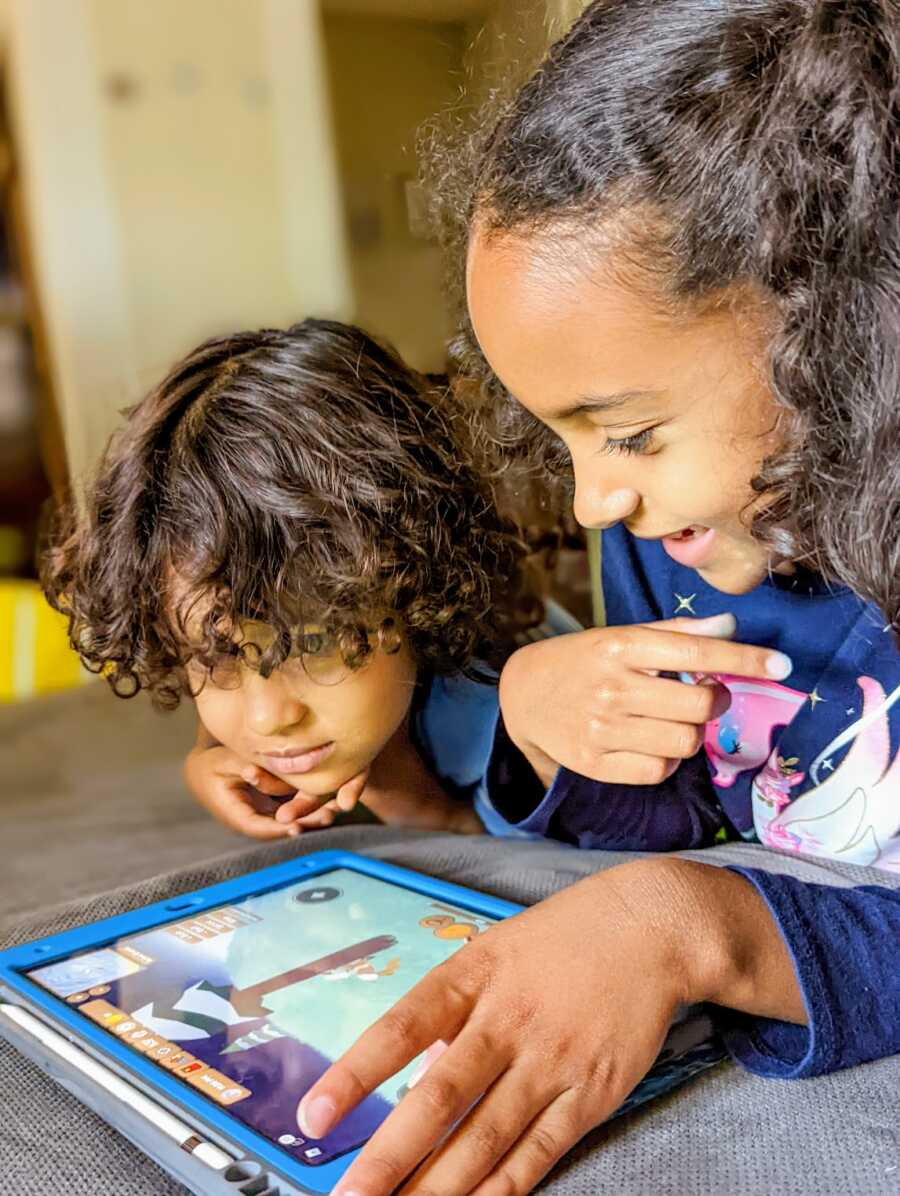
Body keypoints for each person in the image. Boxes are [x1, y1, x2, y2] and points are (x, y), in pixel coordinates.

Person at [296, 4, 900, 1194]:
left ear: (845, 332)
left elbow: (696, 889)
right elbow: (689, 809)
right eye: (561, 438)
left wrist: (698, 926)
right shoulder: (672, 542)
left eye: (626, 431)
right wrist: (542, 720)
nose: (588, 503)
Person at [41, 318, 545, 840]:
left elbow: (529, 858)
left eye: (317, 642)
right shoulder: (310, 694)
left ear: (413, 579)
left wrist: (401, 792)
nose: (268, 719)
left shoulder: (500, 710)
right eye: (217, 656)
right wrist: (206, 757)